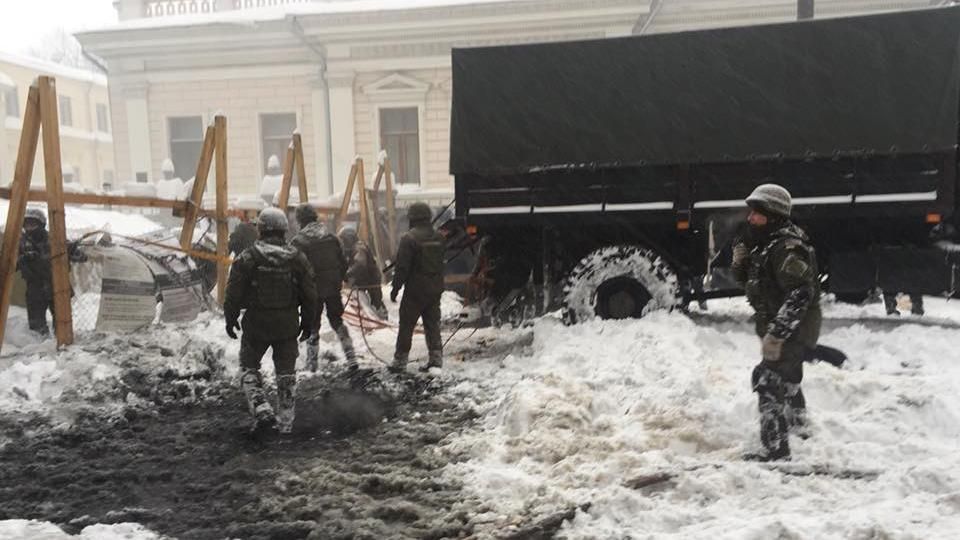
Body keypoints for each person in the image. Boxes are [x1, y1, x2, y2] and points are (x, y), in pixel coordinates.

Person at [732, 183, 822, 461]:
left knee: (767, 380)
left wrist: (778, 334)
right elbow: (759, 284)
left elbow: (800, 293)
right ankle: (799, 426)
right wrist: (741, 264)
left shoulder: (786, 247)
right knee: (788, 375)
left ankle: (776, 451)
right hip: (785, 328)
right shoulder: (768, 243)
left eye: (756, 214)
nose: (750, 219)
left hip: (794, 329)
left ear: (772, 214)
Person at [224, 207, 317, 434]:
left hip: (256, 324)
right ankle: (286, 424)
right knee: (286, 374)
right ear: (285, 229)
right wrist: (308, 322)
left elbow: (233, 291)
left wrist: (231, 317)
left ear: (261, 229)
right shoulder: (297, 258)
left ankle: (261, 408)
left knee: (249, 368)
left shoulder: (248, 257)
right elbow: (310, 294)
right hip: (287, 326)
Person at [289, 203, 357, 372]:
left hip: (312, 291)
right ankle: (351, 357)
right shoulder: (332, 237)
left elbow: (294, 269)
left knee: (313, 326)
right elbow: (343, 263)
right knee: (337, 321)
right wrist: (340, 279)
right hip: (333, 288)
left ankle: (312, 365)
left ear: (300, 221)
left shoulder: (298, 241)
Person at [389, 202, 446, 373]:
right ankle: (436, 360)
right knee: (432, 324)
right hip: (435, 289)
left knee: (407, 325)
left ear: (412, 218)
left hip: (415, 291)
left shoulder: (409, 239)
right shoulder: (439, 237)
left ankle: (400, 362)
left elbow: (402, 268)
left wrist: (395, 288)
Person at [16, 208, 85, 337]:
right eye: (27, 224)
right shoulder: (20, 242)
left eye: (33, 224)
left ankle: (63, 344)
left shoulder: (55, 239)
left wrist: (71, 250)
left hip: (58, 286)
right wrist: (23, 259)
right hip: (35, 289)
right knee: (36, 327)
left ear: (41, 224)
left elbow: (82, 257)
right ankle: (40, 348)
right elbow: (9, 264)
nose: (30, 227)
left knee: (62, 324)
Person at [339, 225, 388, 320]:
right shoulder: (352, 249)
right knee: (362, 300)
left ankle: (383, 320)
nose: (343, 243)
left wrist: (346, 275)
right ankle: (369, 317)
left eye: (344, 240)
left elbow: (360, 264)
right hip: (363, 278)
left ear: (349, 238)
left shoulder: (359, 248)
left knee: (376, 301)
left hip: (371, 279)